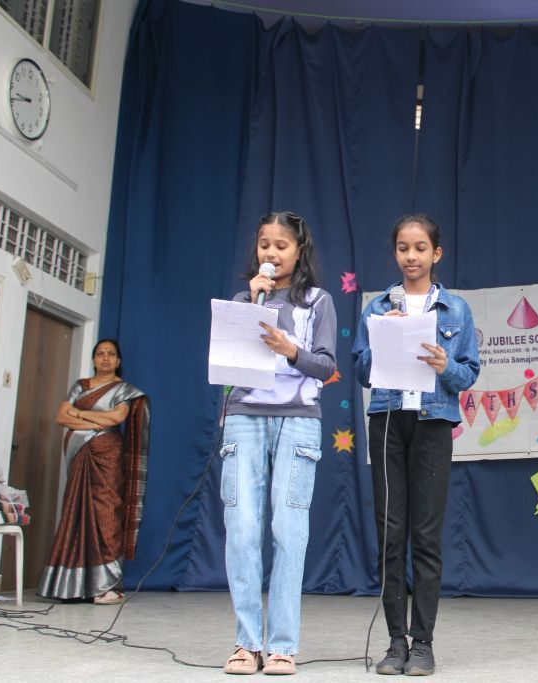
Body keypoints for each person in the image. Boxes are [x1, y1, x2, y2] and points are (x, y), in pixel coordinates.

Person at [353, 214, 480, 677]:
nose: (412, 256)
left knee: (426, 536)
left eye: (420, 248)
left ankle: (423, 642)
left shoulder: (456, 309)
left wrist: (446, 365)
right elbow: (362, 372)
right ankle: (394, 642)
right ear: (395, 253)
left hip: (433, 425)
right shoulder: (377, 306)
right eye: (404, 248)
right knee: (390, 535)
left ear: (436, 253)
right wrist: (381, 340)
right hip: (388, 421)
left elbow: (469, 374)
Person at [220, 211, 337, 676]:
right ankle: (246, 643)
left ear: (299, 251)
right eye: (264, 244)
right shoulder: (243, 299)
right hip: (244, 415)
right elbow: (228, 364)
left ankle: (283, 645)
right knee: (242, 528)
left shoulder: (318, 301)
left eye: (281, 245)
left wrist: (291, 350)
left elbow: (326, 366)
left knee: (289, 530)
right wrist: (252, 305)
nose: (271, 253)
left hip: (298, 419)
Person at [38, 339, 150, 605]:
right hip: (79, 455)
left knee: (107, 512)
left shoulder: (124, 390)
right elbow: (61, 417)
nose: (105, 358)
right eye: (100, 353)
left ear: (118, 361)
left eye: (111, 354)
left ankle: (106, 586)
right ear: (93, 359)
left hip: (108, 457)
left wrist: (79, 414)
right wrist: (96, 419)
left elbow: (116, 418)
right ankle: (71, 587)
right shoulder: (81, 386)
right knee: (76, 511)